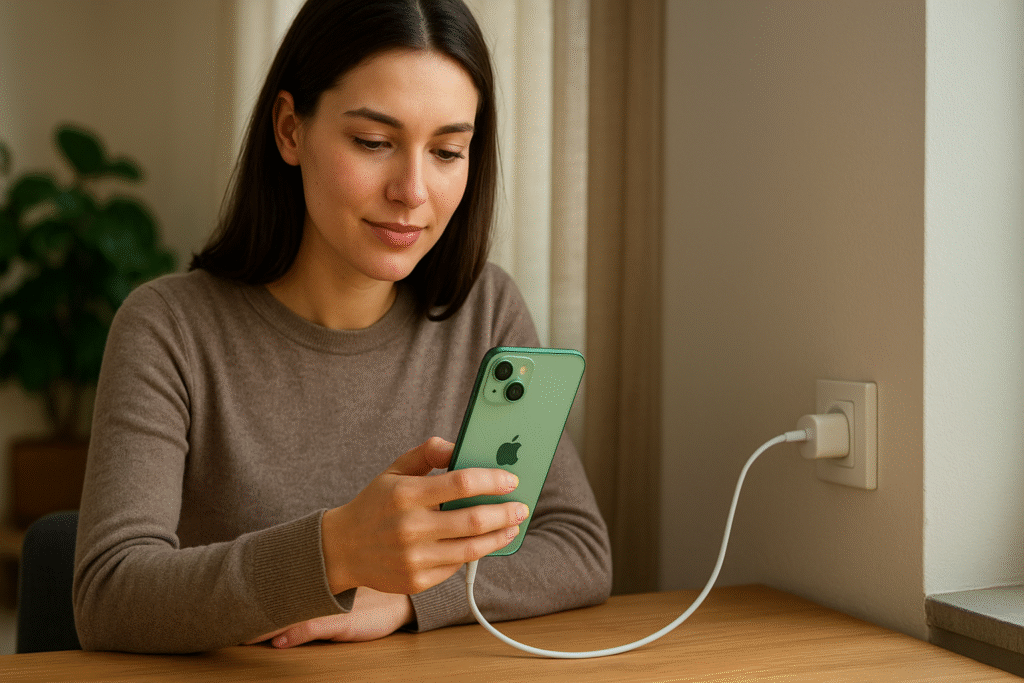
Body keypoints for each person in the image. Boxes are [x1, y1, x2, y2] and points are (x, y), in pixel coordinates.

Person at [72, 0, 611, 654]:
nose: (413, 189)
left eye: (446, 150)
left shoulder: (485, 308)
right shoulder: (168, 329)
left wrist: (405, 596)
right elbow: (109, 594)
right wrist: (335, 553)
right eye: (374, 143)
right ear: (290, 130)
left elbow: (579, 548)